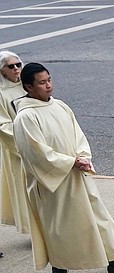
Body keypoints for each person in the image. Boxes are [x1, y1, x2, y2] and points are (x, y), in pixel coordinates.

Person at [13, 63, 114, 273]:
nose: (48, 86)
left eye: (49, 80)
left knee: (97, 217)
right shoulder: (25, 118)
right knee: (60, 225)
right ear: (28, 87)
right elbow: (36, 153)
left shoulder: (61, 106)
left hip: (76, 173)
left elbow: (78, 135)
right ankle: (59, 266)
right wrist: (69, 162)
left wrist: (82, 157)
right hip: (53, 181)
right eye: (42, 83)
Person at [0, 50, 31, 234]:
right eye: (11, 66)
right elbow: (2, 124)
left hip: (34, 141)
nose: (16, 69)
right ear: (2, 71)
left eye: (18, 65)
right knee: (22, 189)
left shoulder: (26, 86)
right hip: (16, 148)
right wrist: (21, 140)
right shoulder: (1, 93)